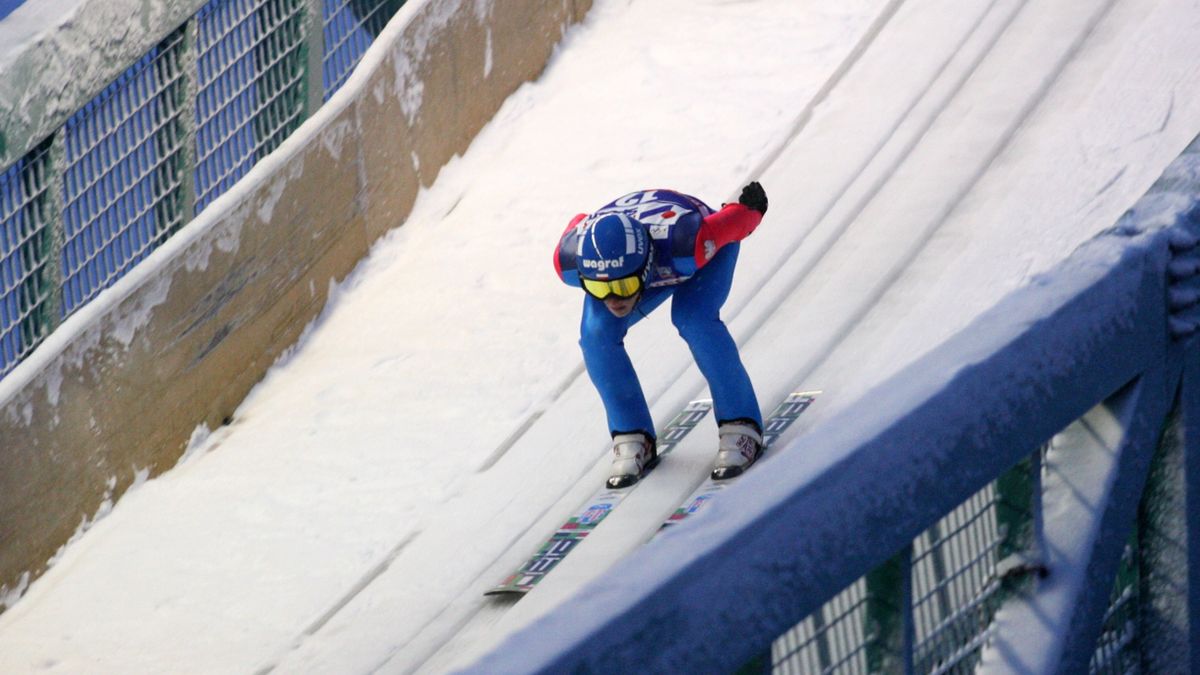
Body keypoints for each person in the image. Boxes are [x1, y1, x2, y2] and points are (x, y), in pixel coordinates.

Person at [553, 183, 769, 488]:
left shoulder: (688, 244)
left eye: (623, 288)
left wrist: (746, 206)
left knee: (693, 318)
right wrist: (615, 283)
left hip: (696, 251)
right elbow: (578, 223)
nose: (613, 299)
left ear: (644, 270)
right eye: (600, 289)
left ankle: (741, 424)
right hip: (644, 258)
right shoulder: (570, 261)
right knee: (595, 335)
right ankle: (631, 434)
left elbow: (736, 221)